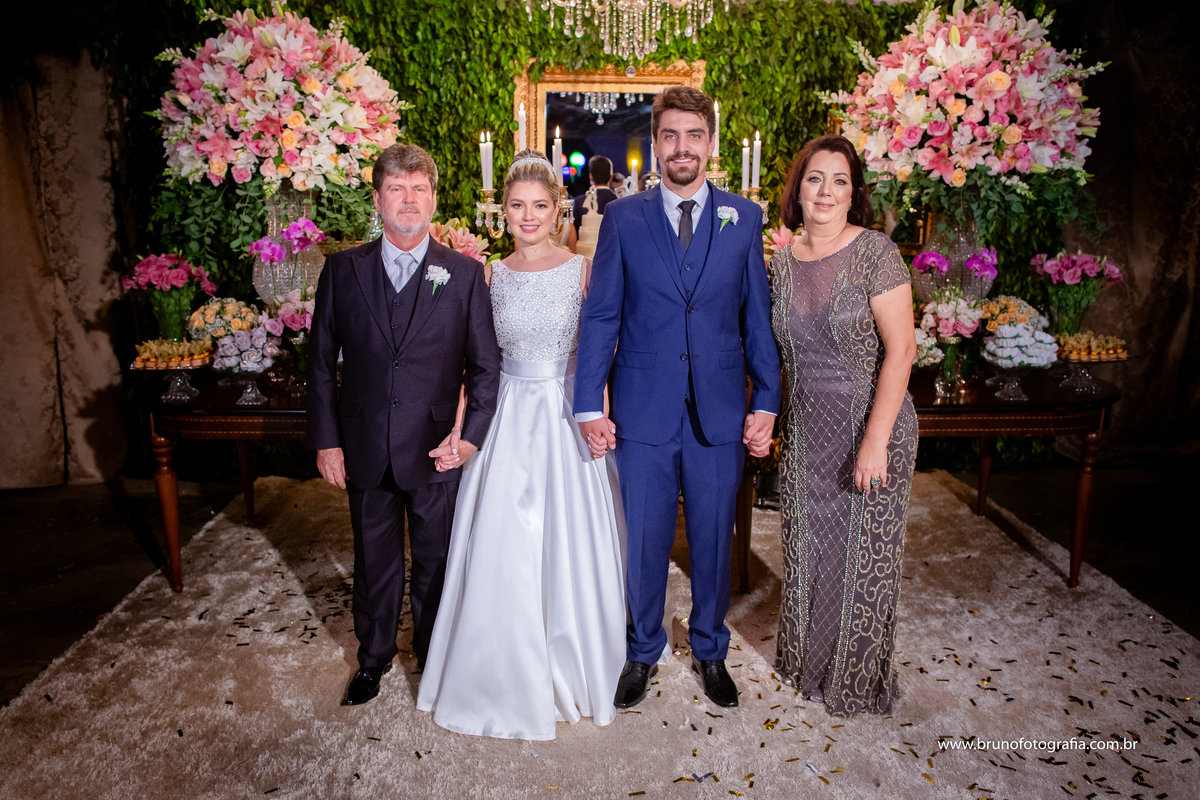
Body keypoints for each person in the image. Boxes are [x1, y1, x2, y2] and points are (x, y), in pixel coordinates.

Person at [573, 86, 780, 710]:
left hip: (720, 409)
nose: (682, 147)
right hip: (642, 407)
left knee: (714, 538)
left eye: (693, 135)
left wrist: (766, 400)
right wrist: (590, 404)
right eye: (670, 136)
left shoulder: (744, 218)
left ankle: (710, 649)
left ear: (710, 143)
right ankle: (643, 650)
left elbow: (756, 319)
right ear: (656, 143)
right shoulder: (623, 219)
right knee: (645, 538)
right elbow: (602, 315)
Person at [416, 150, 627, 739]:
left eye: (539, 205)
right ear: (502, 211)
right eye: (517, 206)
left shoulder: (582, 270)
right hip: (506, 414)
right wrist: (461, 428)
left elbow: (600, 351)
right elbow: (477, 362)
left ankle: (576, 660)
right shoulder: (490, 275)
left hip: (565, 412)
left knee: (566, 539)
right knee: (502, 540)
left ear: (558, 210)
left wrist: (600, 412)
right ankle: (496, 666)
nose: (528, 216)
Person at [307, 143, 502, 707]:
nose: (408, 199)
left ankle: (435, 657)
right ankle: (373, 658)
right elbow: (318, 363)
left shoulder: (465, 274)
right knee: (374, 559)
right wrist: (327, 442)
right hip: (364, 442)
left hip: (437, 446)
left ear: (434, 199)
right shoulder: (343, 270)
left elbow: (485, 367)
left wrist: (470, 438)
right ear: (378, 199)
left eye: (419, 188)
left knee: (437, 560)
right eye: (396, 188)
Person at [768, 134, 917, 717]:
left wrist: (875, 443)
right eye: (815, 178)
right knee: (810, 549)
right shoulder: (782, 264)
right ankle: (807, 664)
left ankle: (853, 679)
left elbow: (902, 351)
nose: (826, 191)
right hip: (807, 430)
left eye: (839, 181)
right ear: (798, 189)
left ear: (854, 194)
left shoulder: (876, 252)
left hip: (869, 425)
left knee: (861, 559)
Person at [573, 155, 617, 260]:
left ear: (591, 177)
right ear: (611, 177)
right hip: (611, 256)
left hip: (584, 257)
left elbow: (574, 232)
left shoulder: (579, 202)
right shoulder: (618, 200)